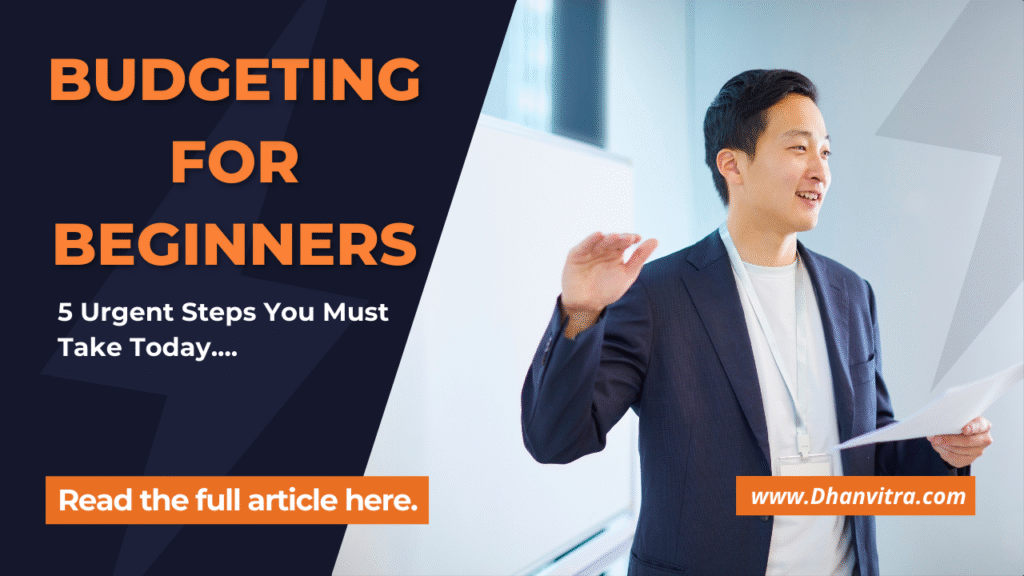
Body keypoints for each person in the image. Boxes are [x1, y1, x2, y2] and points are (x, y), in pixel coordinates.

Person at [521, 69, 993, 576]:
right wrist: (581, 312)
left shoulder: (851, 294)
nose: (820, 171)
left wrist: (944, 451)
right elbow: (556, 440)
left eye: (826, 152)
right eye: (798, 149)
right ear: (732, 165)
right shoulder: (659, 295)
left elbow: (870, 451)